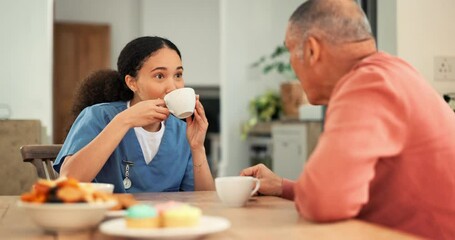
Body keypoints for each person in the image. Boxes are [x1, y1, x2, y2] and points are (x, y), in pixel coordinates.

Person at [240, 0, 455, 239]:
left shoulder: (366, 85)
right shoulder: (392, 71)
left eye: (291, 51)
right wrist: (282, 186)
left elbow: (324, 200)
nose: (291, 64)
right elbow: (346, 190)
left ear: (312, 50)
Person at [54, 36, 215, 193]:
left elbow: (206, 200)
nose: (173, 87)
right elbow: (68, 180)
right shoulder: (99, 116)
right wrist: (125, 121)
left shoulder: (182, 131)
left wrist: (197, 148)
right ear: (132, 82)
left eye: (178, 75)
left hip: (164, 219)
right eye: (159, 76)